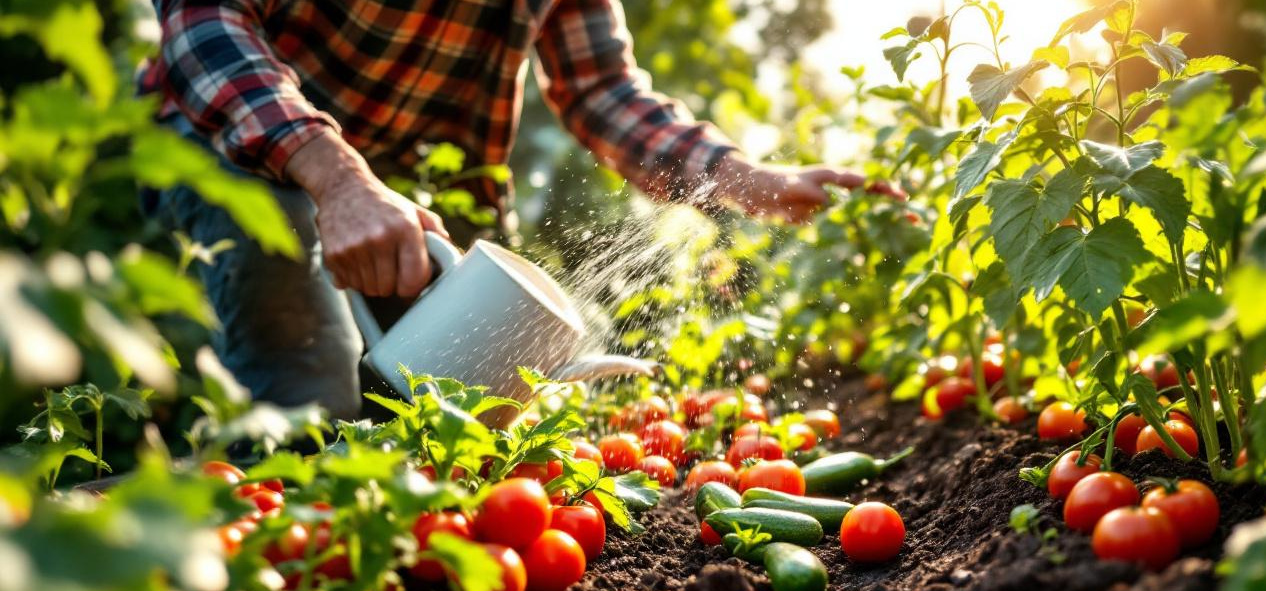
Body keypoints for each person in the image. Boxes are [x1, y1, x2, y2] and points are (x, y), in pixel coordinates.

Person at [141, 0, 882, 419]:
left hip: (411, 175)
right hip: (237, 133)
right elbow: (206, 21)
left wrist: (737, 178)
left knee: (456, 409)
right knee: (313, 393)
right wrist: (333, 177)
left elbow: (600, 87)